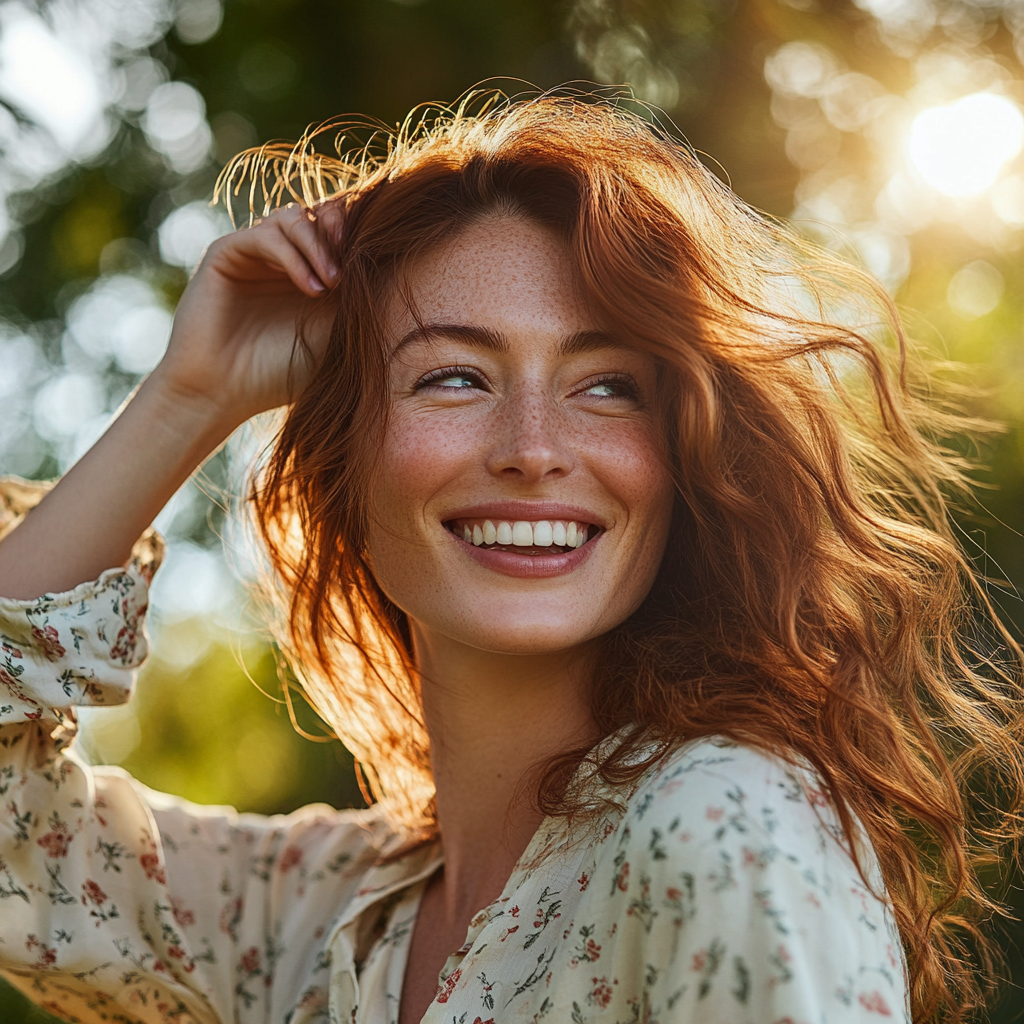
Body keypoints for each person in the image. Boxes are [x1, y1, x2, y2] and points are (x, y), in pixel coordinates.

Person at [0, 92, 1020, 1024]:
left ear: (686, 457)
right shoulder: (315, 917)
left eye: (606, 385)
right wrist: (192, 394)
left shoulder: (723, 824)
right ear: (346, 469)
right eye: (453, 377)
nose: (533, 447)